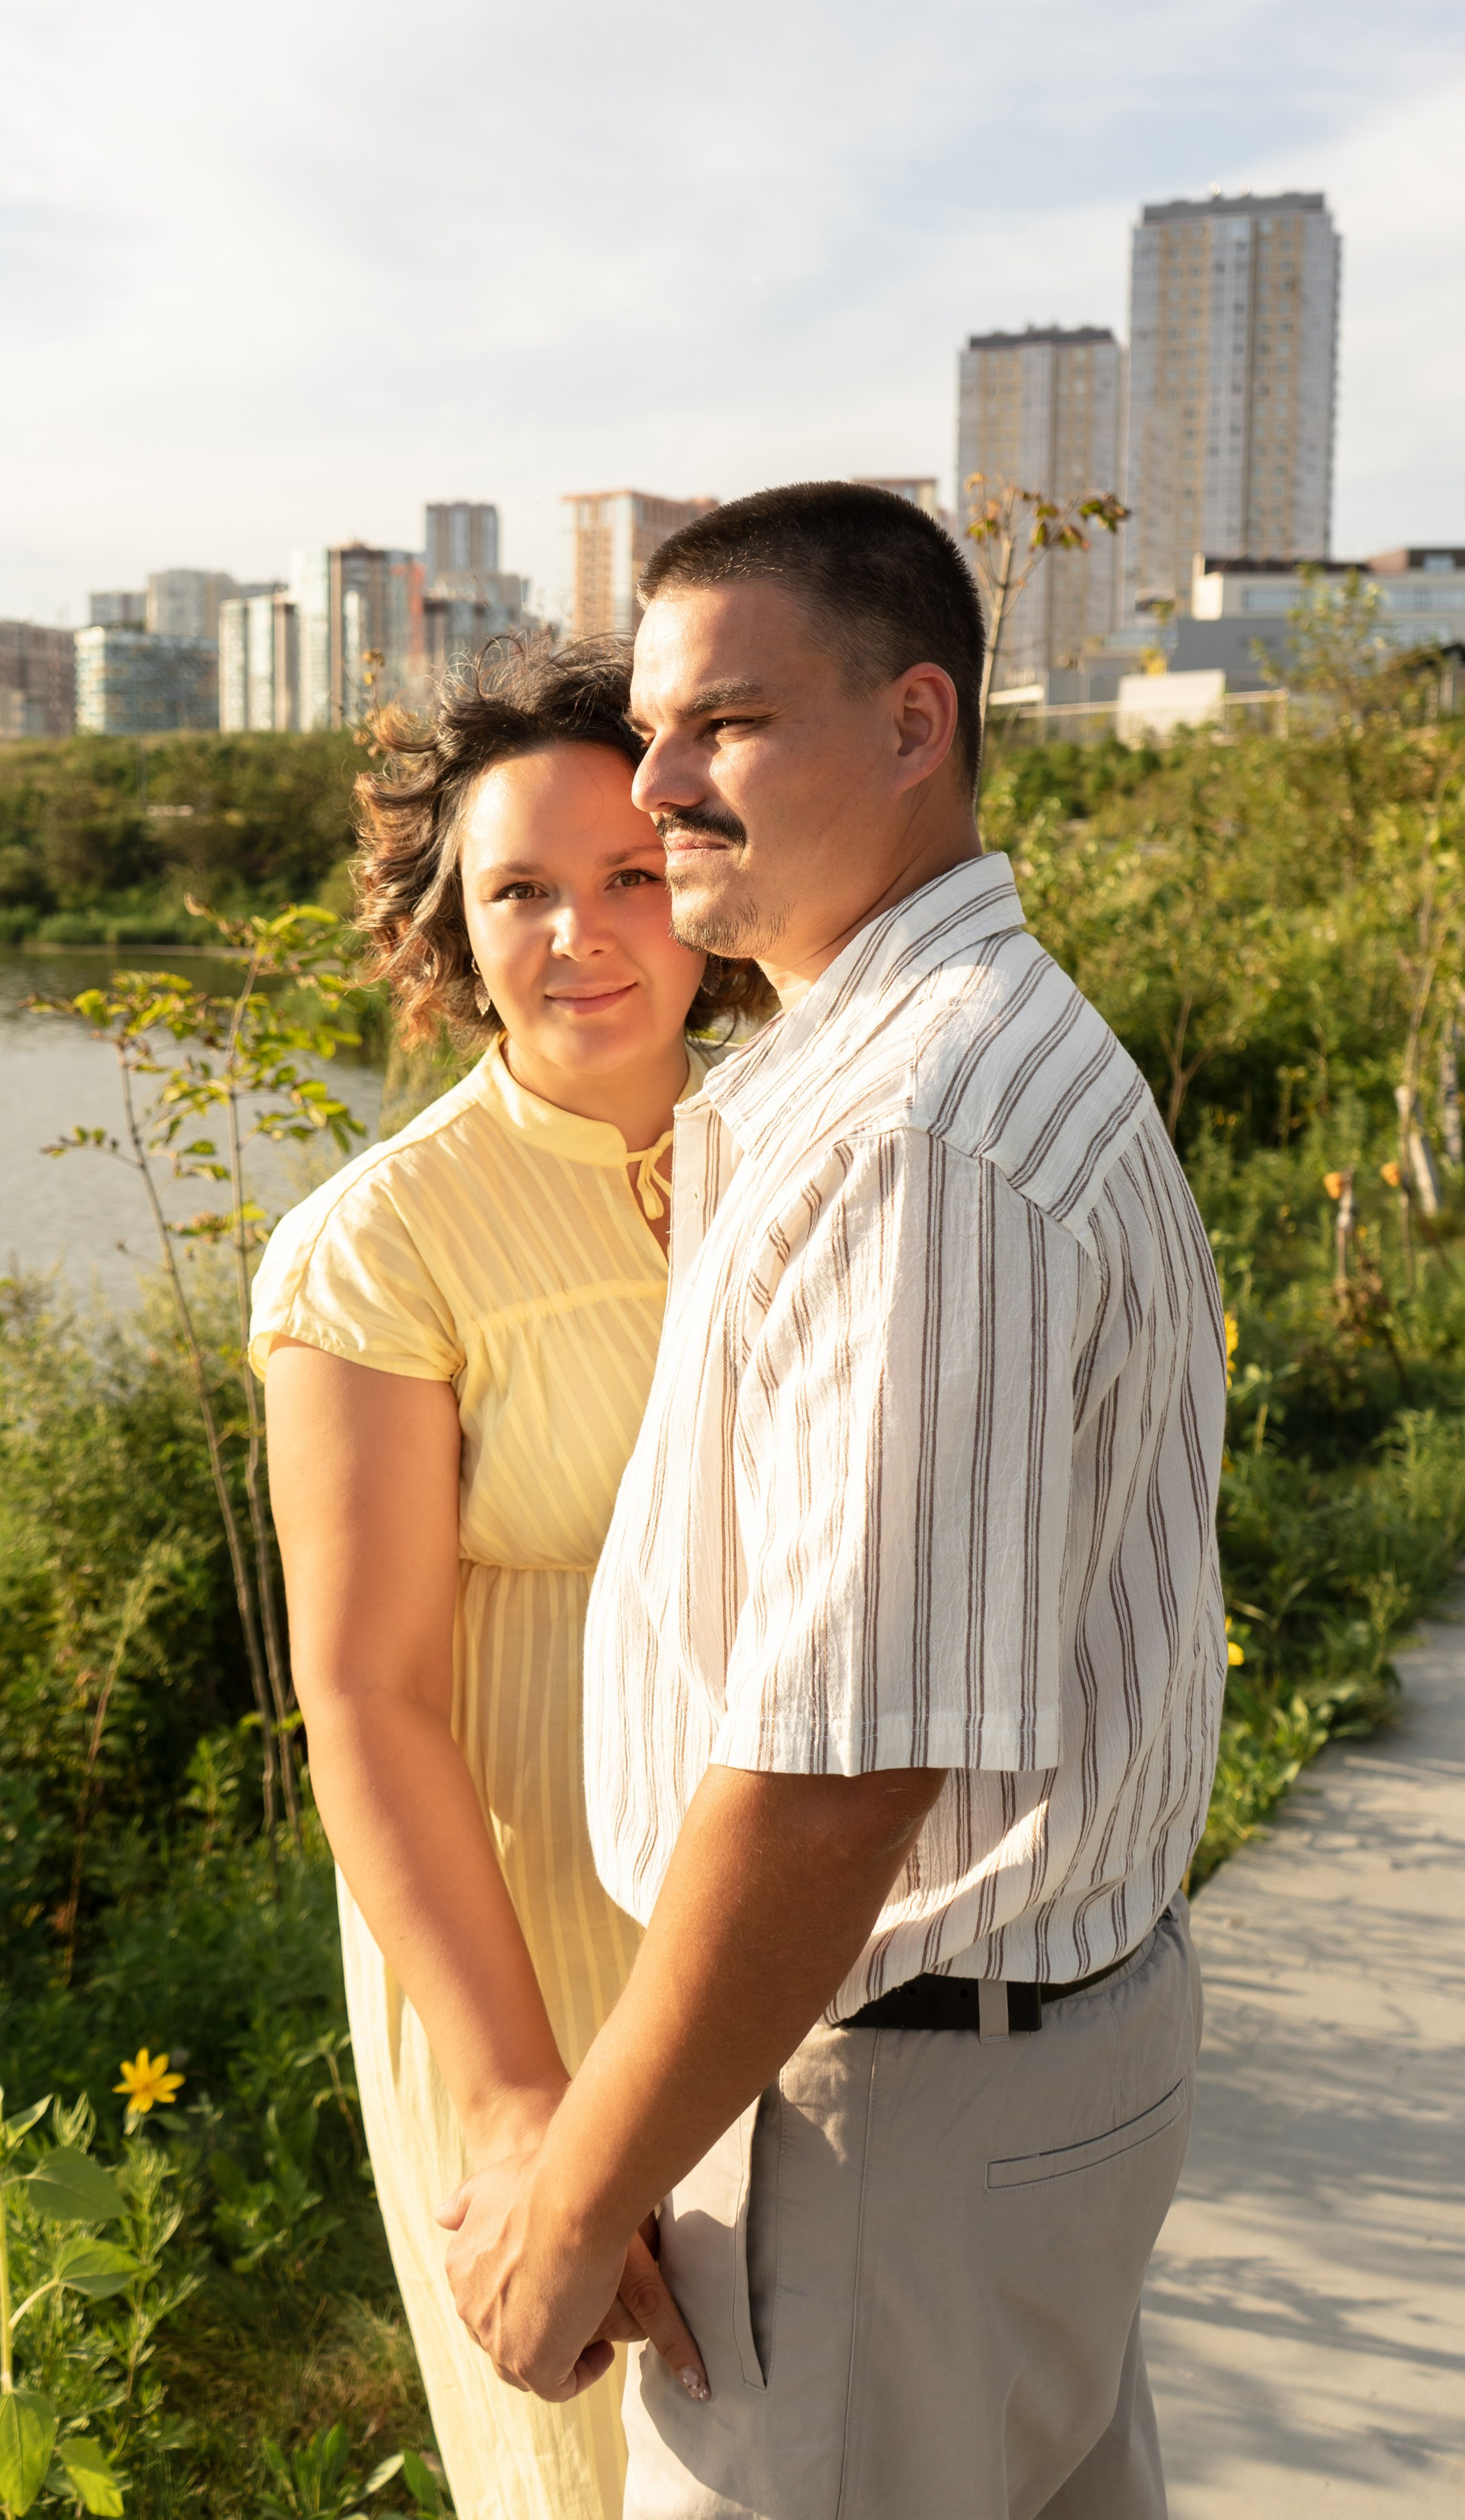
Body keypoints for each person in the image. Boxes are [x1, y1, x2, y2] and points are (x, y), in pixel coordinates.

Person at [440, 483, 1229, 2520]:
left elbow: (835, 1774)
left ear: (913, 724)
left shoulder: (925, 1133)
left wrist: (576, 2193)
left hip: (902, 2116)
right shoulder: (904, 1063)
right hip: (1003, 2077)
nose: (659, 782)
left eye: (728, 726)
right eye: (652, 728)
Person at [253, 643, 767, 2520]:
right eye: (519, 891)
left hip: (790, 1908)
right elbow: (367, 1700)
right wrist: (515, 2106)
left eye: (630, 871)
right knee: (601, 2470)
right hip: (532, 1941)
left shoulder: (805, 1151)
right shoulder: (377, 1247)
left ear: (710, 872)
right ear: (448, 931)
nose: (582, 935)